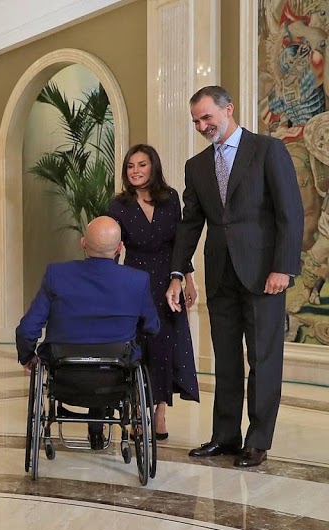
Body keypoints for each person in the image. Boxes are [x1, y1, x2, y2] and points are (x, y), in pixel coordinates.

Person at [165, 86, 304, 468]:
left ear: (228, 109)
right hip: (221, 275)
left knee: (263, 358)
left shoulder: (267, 150)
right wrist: (178, 272)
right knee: (225, 359)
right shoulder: (196, 166)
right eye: (196, 121)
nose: (202, 126)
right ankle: (225, 436)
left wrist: (283, 267)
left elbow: (290, 213)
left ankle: (257, 441)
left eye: (207, 117)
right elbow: (190, 225)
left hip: (263, 275)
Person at [17, 217, 160, 450]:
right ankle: (98, 428)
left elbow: (27, 328)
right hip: (115, 376)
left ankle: (95, 429)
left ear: (83, 242)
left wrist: (27, 356)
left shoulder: (57, 275)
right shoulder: (138, 280)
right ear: (120, 248)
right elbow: (153, 327)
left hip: (65, 377)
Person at [107, 144, 200, 440]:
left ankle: (160, 411)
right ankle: (137, 410)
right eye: (130, 166)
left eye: (141, 164)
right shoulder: (118, 205)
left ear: (153, 167)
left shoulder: (170, 198)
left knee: (163, 347)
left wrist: (188, 280)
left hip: (168, 281)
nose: (135, 171)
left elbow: (180, 243)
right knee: (138, 347)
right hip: (133, 281)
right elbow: (111, 247)